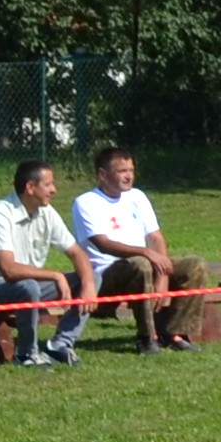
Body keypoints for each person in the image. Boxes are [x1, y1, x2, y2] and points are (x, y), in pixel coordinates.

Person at [69, 143, 197, 352]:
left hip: (144, 264)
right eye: (122, 171)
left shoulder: (137, 196)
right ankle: (147, 337)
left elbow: (155, 237)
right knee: (141, 264)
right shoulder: (86, 202)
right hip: (106, 274)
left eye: (131, 170)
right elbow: (102, 244)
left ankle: (175, 333)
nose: (129, 176)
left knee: (194, 265)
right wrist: (145, 252)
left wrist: (163, 277)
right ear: (103, 174)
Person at [0, 157, 92, 367]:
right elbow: (8, 270)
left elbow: (77, 253)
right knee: (28, 286)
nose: (54, 190)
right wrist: (56, 275)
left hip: (30, 285)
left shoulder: (47, 212)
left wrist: (88, 285)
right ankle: (26, 353)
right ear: (30, 187)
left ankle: (61, 344)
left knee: (92, 276)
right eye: (48, 184)